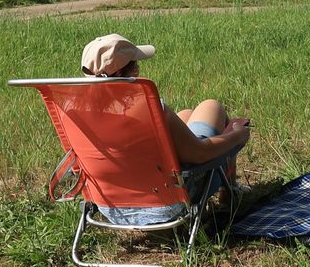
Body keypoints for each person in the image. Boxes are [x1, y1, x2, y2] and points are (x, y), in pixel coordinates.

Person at [79, 33, 251, 224]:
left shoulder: (75, 114)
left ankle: (229, 189)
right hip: (167, 203)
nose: (138, 69)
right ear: (121, 75)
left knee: (186, 114)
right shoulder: (149, 109)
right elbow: (199, 155)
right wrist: (236, 137)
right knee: (211, 106)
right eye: (135, 65)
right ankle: (229, 190)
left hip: (109, 205)